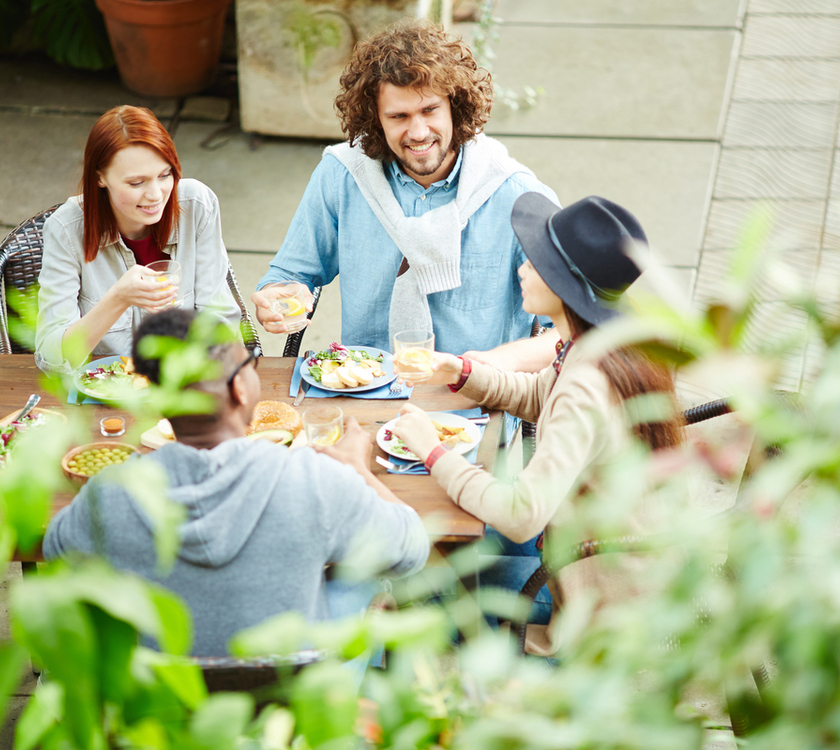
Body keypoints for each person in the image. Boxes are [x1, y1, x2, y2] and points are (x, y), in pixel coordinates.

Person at [390, 194, 685, 655]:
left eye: (534, 262)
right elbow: (538, 396)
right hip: (604, 574)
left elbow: (520, 514)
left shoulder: (587, 382)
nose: (522, 270)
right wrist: (461, 372)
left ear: (564, 284)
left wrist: (433, 452)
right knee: (439, 563)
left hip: (593, 617)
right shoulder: (602, 343)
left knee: (409, 595)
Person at [42, 308, 430, 657]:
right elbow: (411, 549)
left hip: (163, 716)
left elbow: (56, 551)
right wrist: (356, 469)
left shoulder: (112, 494)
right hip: (289, 713)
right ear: (239, 388)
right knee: (361, 585)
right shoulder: (314, 480)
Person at [252, 20, 560, 371]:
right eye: (399, 116)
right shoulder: (341, 176)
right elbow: (291, 275)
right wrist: (277, 298)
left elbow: (579, 328)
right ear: (375, 120)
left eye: (429, 110)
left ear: (454, 106)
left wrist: (490, 364)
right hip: (364, 388)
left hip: (474, 401)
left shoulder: (518, 197)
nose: (417, 132)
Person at [35, 105, 241, 374]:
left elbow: (222, 321)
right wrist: (118, 298)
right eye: (136, 183)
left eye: (165, 175)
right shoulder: (66, 230)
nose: (156, 194)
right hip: (106, 395)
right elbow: (52, 359)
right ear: (100, 177)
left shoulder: (196, 206)